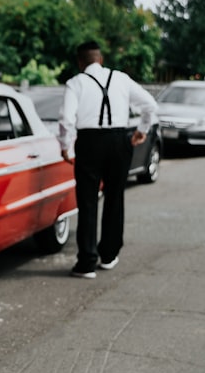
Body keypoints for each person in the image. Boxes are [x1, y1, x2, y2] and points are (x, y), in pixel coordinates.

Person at [58, 40, 158, 279]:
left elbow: (66, 119)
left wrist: (66, 147)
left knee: (88, 200)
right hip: (119, 140)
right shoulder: (122, 78)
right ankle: (109, 255)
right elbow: (150, 105)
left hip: (90, 142)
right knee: (115, 197)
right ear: (100, 60)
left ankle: (87, 263)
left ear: (80, 62)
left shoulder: (76, 82)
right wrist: (142, 130)